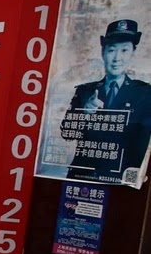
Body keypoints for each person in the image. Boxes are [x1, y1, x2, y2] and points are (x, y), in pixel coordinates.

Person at [61, 19, 151, 181]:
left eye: (124, 50)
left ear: (133, 53)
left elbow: (143, 144)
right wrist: (85, 114)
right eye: (111, 50)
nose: (117, 58)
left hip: (119, 182)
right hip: (82, 177)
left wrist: (136, 177)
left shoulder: (145, 94)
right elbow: (66, 133)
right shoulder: (85, 91)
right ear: (103, 52)